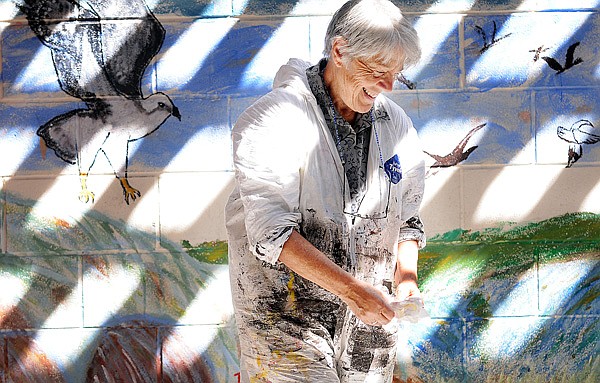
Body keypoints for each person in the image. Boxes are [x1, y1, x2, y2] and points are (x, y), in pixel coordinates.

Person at [225, 0, 426, 381]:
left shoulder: (394, 123)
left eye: (396, 73)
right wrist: (351, 291)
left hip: (370, 323)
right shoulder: (273, 120)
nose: (388, 86)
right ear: (339, 51)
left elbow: (408, 219)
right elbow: (272, 234)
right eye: (379, 71)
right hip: (284, 317)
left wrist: (406, 279)